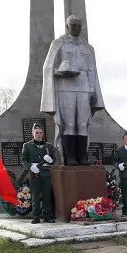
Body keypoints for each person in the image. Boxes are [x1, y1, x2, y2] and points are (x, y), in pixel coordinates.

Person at [40, 15, 105, 166]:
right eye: (73, 25)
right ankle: (70, 158)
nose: (76, 28)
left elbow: (93, 71)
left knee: (82, 124)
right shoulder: (58, 44)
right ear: (67, 26)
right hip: (65, 88)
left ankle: (82, 157)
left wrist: (94, 92)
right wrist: (61, 72)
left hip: (84, 89)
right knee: (68, 123)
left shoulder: (88, 48)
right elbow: (48, 68)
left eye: (78, 26)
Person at [21, 123, 57, 223]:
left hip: (46, 173)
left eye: (41, 133)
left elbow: (54, 160)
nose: (39, 135)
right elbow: (23, 160)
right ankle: (36, 216)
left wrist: (50, 160)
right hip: (34, 173)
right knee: (35, 195)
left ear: (43, 134)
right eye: (37, 132)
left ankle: (47, 216)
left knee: (47, 195)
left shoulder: (48, 146)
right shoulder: (27, 145)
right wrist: (31, 167)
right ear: (33, 133)